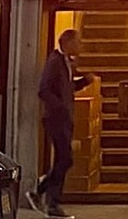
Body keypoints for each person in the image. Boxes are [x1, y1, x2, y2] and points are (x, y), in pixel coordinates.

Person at [26, 29, 93, 219]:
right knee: (65, 159)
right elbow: (44, 90)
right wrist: (60, 108)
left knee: (63, 159)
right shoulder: (55, 61)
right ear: (68, 42)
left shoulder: (66, 63)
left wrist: (83, 83)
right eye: (78, 42)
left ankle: (43, 194)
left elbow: (67, 89)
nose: (81, 45)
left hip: (64, 119)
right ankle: (49, 199)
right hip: (56, 119)